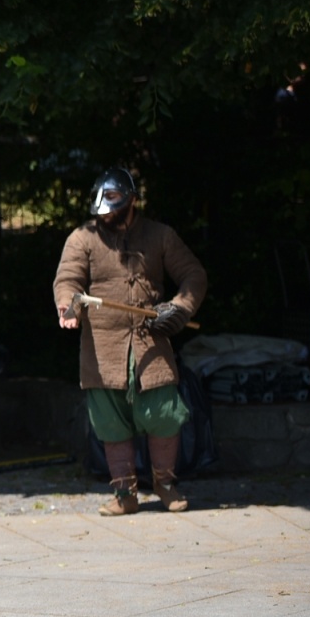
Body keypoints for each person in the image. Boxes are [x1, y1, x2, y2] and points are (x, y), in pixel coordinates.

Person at [53, 168, 206, 516]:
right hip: (102, 348)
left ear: (130, 200)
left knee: (164, 414)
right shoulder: (82, 238)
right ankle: (125, 495)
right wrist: (69, 305)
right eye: (101, 208)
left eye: (112, 206)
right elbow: (68, 278)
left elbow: (193, 274)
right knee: (111, 420)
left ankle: (165, 485)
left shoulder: (160, 235)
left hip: (152, 342)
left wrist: (180, 307)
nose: (105, 214)